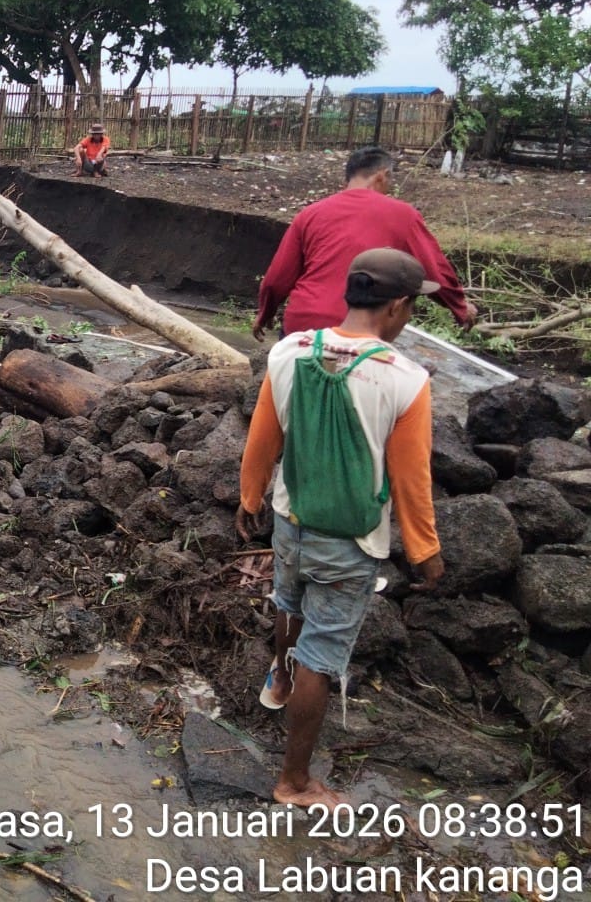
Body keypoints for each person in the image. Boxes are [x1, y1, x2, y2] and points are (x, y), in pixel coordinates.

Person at [237, 248, 446, 810]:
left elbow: (264, 435)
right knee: (323, 654)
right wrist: (424, 549)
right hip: (350, 542)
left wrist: (250, 495)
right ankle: (295, 782)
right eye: (412, 308)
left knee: (289, 601)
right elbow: (410, 479)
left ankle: (280, 679)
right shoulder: (406, 380)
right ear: (397, 306)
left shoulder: (289, 350)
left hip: (290, 519)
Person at [252, 146, 476, 341]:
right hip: (358, 330)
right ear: (382, 176)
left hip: (302, 326)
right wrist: (459, 306)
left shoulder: (310, 214)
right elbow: (433, 268)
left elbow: (278, 277)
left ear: (348, 178)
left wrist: (265, 312)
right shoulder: (403, 215)